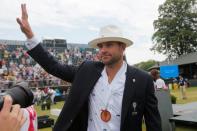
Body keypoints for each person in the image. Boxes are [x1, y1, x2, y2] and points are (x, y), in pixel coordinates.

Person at [16, 4, 161, 131]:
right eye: (100, 46)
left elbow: (153, 122)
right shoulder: (87, 70)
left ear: (122, 48)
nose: (103, 50)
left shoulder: (143, 79)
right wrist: (30, 36)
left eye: (109, 45)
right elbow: (54, 66)